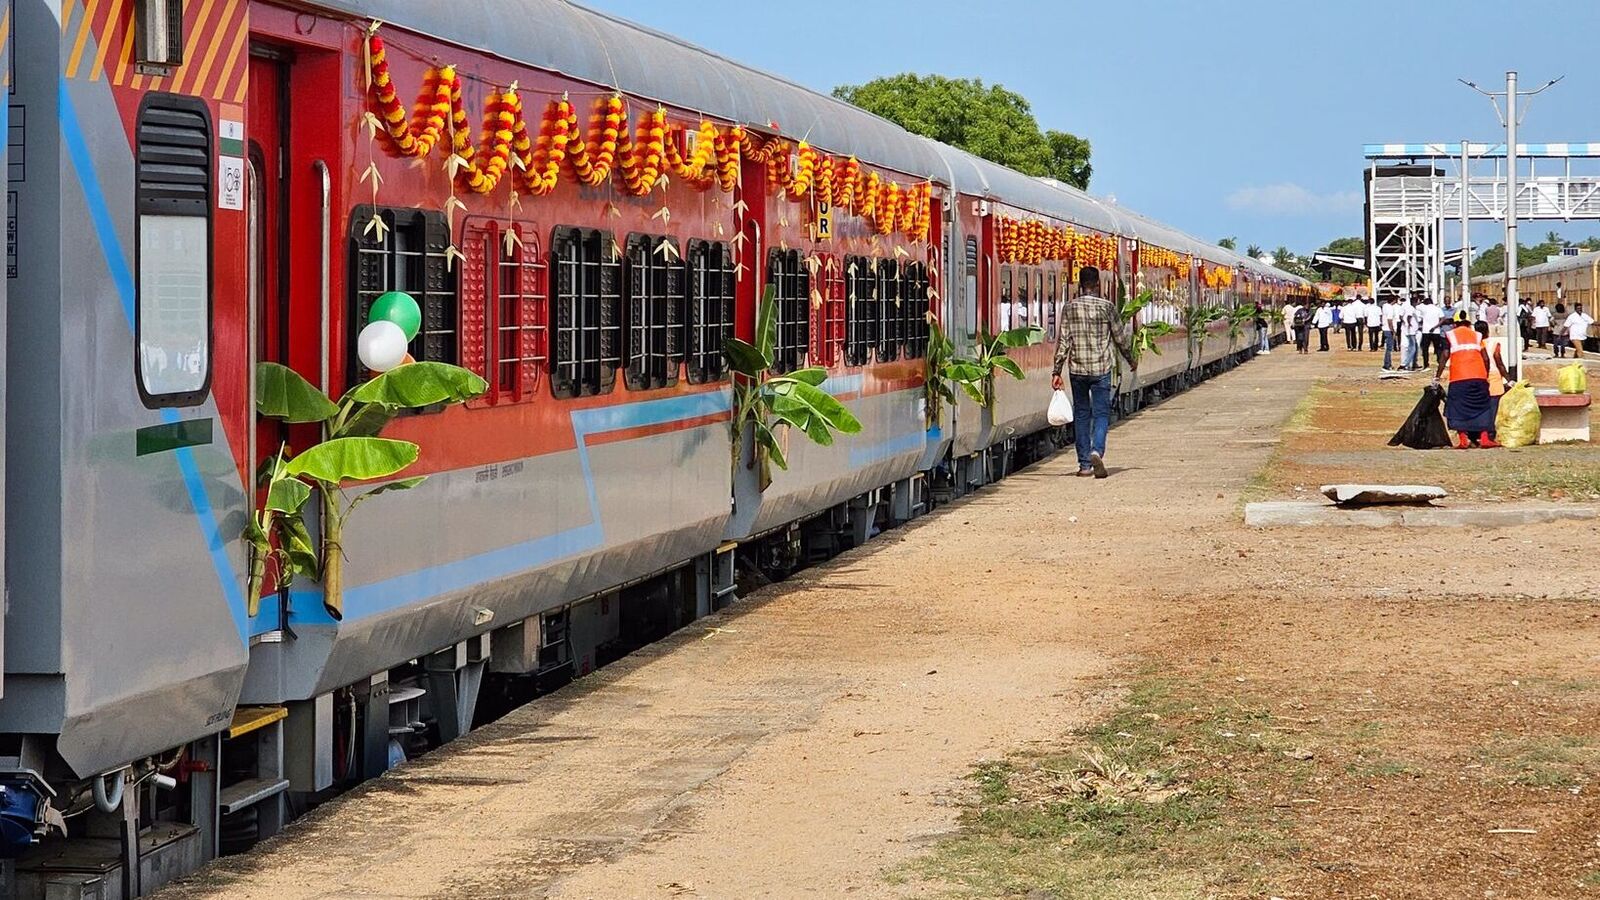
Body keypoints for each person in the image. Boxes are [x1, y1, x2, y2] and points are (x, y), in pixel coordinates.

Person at [1052, 266, 1133, 479]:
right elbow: (1120, 338)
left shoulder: (1069, 308)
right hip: (1101, 369)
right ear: (1098, 284)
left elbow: (1063, 342)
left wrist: (1056, 370)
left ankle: (1084, 465)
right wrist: (1130, 359)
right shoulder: (1107, 307)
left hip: (1077, 370)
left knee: (1081, 415)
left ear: (1080, 285)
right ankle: (1097, 450)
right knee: (1101, 414)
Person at [1435, 313, 1509, 449]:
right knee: (1482, 406)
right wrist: (1484, 375)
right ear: (1469, 324)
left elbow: (1445, 355)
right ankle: (1485, 439)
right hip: (1479, 376)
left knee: (1457, 407)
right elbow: (1486, 359)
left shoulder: (1450, 335)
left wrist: (1437, 376)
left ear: (1454, 324)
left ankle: (1464, 440)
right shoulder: (1477, 336)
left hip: (1459, 377)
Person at [1418, 296, 1443, 368]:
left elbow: (1416, 305)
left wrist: (1420, 302)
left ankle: (1426, 364)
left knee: (1425, 349)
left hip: (1426, 331)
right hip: (1436, 331)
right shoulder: (1438, 309)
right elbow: (1442, 318)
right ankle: (1439, 362)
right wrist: (1436, 326)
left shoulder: (1424, 308)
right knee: (1437, 348)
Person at [1399, 295, 1421, 370]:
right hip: (1411, 331)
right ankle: (1404, 364)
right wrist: (1409, 324)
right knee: (1413, 348)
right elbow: (1409, 316)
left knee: (1411, 348)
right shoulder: (1411, 309)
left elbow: (1401, 316)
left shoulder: (1410, 308)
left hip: (1409, 330)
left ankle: (1407, 364)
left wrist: (1404, 322)